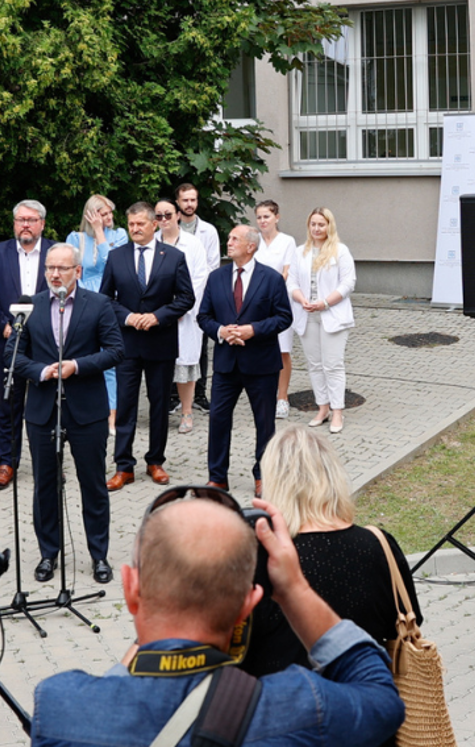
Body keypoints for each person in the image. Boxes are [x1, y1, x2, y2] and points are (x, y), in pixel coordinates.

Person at [30, 487, 404, 746]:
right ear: (250, 603)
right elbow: (381, 698)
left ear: (129, 588)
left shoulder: (63, 708)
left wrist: (151, 610)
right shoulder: (297, 706)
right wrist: (294, 589)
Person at [240, 427, 421, 678]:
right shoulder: (378, 544)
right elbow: (408, 620)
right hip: (365, 699)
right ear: (333, 476)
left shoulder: (262, 556)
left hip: (282, 705)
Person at [19, 244, 126, 585]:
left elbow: (115, 351)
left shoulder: (98, 305)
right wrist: (41, 371)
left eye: (62, 269)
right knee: (45, 487)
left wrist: (77, 366)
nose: (54, 274)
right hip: (42, 410)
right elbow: (13, 355)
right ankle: (49, 554)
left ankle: (99, 555)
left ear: (77, 271)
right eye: (50, 268)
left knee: (92, 485)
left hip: (87, 411)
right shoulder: (29, 306)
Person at [100, 201, 195, 491]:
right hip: (127, 343)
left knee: (158, 405)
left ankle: (155, 461)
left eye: (140, 224)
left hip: (161, 342)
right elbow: (106, 299)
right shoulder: (117, 257)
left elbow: (185, 298)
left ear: (155, 224)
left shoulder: (174, 257)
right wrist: (129, 317)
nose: (135, 229)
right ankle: (123, 466)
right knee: (126, 405)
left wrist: (157, 317)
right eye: (130, 225)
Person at [198, 225, 295, 497]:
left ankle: (263, 476)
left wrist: (253, 330)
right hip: (226, 364)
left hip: (261, 364)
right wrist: (221, 332)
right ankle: (217, 477)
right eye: (228, 238)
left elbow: (284, 317)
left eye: (234, 239)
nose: (228, 243)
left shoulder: (271, 278)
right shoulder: (216, 278)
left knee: (264, 423)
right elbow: (203, 317)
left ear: (251, 246)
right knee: (218, 419)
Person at [0, 199, 57, 489]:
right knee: (8, 404)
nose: (25, 224)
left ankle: (47, 464)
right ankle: (7, 463)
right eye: (20, 219)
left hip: (45, 343)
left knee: (45, 405)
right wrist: (4, 326)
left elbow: (63, 293)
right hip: (5, 341)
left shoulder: (54, 251)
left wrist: (40, 329)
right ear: (14, 223)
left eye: (31, 219)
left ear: (42, 224)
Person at [288, 208, 355, 433]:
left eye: (321, 224)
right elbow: (292, 283)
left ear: (329, 226)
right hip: (307, 315)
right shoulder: (300, 252)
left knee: (333, 365)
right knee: (315, 365)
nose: (317, 228)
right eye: (313, 224)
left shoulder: (340, 251)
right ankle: (323, 408)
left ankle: (338, 412)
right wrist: (302, 299)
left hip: (332, 315)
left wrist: (325, 303)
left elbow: (348, 283)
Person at [65, 195, 128, 429]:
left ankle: (112, 416)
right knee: (82, 356)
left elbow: (113, 264)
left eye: (110, 212)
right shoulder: (75, 238)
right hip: (82, 301)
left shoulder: (119, 235)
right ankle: (82, 413)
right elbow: (71, 271)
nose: (109, 217)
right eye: (103, 213)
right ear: (90, 215)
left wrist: (101, 233)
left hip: (109, 300)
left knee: (109, 360)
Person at [159, 199, 213, 435]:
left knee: (186, 365)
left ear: (177, 215)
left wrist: (181, 307)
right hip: (159, 314)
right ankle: (160, 412)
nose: (164, 220)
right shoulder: (152, 242)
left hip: (185, 313)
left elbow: (200, 278)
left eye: (168, 215)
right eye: (158, 216)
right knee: (159, 366)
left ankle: (187, 412)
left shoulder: (192, 244)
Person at [252, 200, 304, 420]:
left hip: (279, 302)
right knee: (258, 350)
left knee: (282, 351)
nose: (263, 221)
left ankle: (282, 397)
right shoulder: (254, 241)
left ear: (277, 217)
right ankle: (263, 394)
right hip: (255, 304)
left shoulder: (287, 242)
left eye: (267, 216)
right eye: (260, 217)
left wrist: (268, 291)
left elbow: (287, 272)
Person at [175, 183, 222, 414]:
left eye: (193, 200)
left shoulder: (209, 231)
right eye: (185, 200)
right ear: (178, 202)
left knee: (201, 346)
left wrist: (195, 294)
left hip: (202, 295)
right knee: (174, 345)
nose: (189, 204)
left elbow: (212, 265)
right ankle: (175, 396)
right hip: (174, 300)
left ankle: (200, 393)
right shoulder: (167, 230)